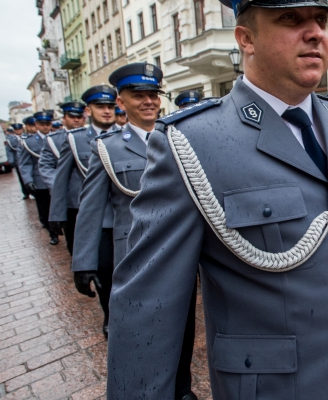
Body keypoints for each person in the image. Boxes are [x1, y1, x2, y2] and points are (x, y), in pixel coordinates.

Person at [107, 1, 328, 398]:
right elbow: (150, 300)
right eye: (291, 19)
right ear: (246, 39)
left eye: (320, 20)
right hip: (275, 385)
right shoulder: (192, 142)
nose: (315, 33)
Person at [73, 63, 200, 399]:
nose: (148, 102)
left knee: (184, 327)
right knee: (139, 334)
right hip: (131, 258)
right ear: (121, 101)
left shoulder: (180, 138)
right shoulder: (108, 147)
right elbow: (90, 207)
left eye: (153, 95)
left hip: (178, 253)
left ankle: (181, 388)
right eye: (138, 95)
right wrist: (82, 261)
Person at [50, 97, 108, 256]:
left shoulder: (119, 134)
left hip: (112, 207)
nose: (76, 120)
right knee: (79, 245)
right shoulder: (72, 139)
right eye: (72, 117)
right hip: (76, 199)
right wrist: (56, 213)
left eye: (78, 116)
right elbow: (60, 179)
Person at [18, 110, 61, 245]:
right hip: (41, 182)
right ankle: (52, 233)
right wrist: (28, 181)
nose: (45, 126)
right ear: (36, 124)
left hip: (58, 180)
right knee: (45, 209)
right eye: (42, 124)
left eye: (48, 123)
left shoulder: (59, 138)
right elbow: (25, 164)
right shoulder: (28, 142)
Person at [7, 123, 28, 199]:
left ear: (22, 129)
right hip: (18, 161)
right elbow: (9, 150)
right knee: (22, 178)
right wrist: (11, 161)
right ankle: (25, 192)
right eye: (16, 129)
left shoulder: (28, 136)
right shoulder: (11, 140)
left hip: (29, 160)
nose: (18, 131)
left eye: (19, 129)